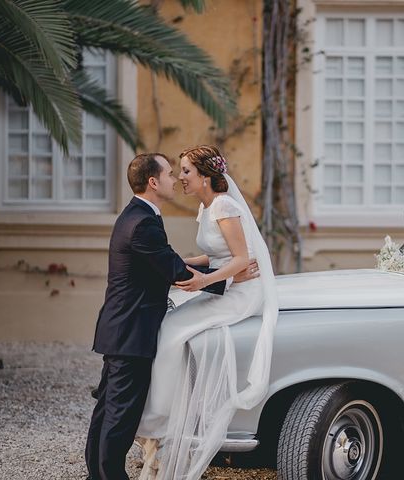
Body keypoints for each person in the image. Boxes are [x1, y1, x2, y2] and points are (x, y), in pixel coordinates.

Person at [85, 152, 257, 480]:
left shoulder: (139, 216)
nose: (176, 179)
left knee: (107, 409)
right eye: (169, 173)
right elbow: (175, 271)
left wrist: (219, 270)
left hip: (121, 327)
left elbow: (167, 261)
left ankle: (97, 473)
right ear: (153, 182)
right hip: (132, 331)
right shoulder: (143, 223)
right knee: (119, 416)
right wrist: (230, 277)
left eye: (182, 172)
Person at [136, 145, 278, 480]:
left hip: (242, 292)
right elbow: (214, 255)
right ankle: (159, 419)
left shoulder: (225, 206)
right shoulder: (206, 207)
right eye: (180, 172)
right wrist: (183, 265)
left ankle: (160, 425)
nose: (181, 177)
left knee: (171, 332)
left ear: (204, 175)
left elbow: (242, 260)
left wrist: (204, 282)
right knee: (168, 324)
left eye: (185, 171)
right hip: (225, 283)